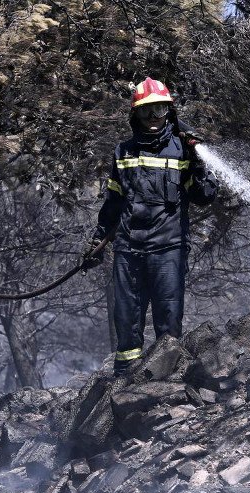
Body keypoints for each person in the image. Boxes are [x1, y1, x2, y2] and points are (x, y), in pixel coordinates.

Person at [83, 77, 218, 375]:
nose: (153, 118)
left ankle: (166, 380)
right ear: (136, 115)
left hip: (168, 247)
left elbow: (204, 196)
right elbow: (113, 203)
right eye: (146, 111)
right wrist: (97, 240)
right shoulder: (123, 152)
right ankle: (126, 378)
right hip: (129, 248)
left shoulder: (183, 149)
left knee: (168, 316)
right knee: (126, 315)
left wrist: (198, 165)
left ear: (168, 111)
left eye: (159, 110)